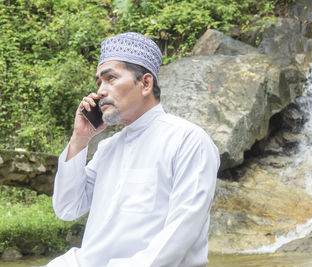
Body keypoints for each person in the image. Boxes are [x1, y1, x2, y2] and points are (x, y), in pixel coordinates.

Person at [45, 32, 220, 267]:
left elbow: (181, 234)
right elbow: (67, 208)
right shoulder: (108, 148)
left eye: (111, 79)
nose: (100, 92)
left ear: (146, 83)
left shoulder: (188, 141)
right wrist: (79, 140)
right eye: (99, 82)